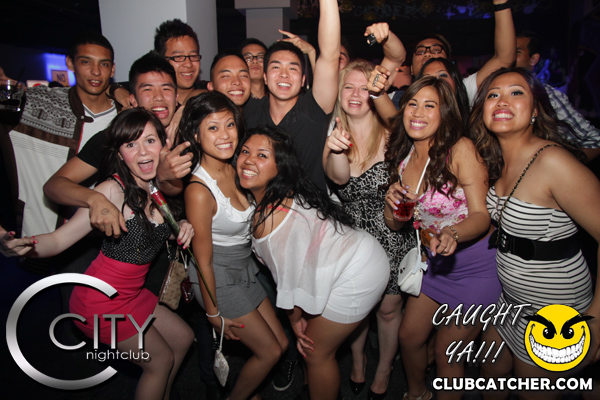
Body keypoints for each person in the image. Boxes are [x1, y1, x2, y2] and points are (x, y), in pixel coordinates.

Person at [7, 108, 195, 400]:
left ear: (163, 144)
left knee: (183, 338)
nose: (143, 151)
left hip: (132, 296)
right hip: (100, 302)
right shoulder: (111, 191)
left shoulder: (157, 188)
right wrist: (26, 244)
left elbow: (160, 230)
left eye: (150, 140)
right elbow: (57, 240)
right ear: (120, 154)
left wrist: (181, 225)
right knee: (159, 363)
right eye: (131, 144)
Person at [469, 67, 600, 398]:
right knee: (490, 370)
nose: (502, 101)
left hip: (554, 311)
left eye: (516, 92)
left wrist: (596, 320)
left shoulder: (554, 162)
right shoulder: (496, 159)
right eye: (493, 95)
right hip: (511, 301)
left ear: (535, 110)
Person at [237, 125, 389, 400]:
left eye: (262, 155)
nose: (248, 160)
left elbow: (288, 282)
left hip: (356, 273)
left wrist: (295, 322)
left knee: (316, 353)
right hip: (360, 254)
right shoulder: (284, 192)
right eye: (245, 151)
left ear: (280, 167)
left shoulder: (269, 219)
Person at [384, 77, 500, 400]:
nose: (418, 112)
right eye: (412, 104)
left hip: (476, 266)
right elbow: (396, 225)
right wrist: (391, 207)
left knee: (447, 352)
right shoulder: (405, 156)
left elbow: (481, 216)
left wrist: (453, 232)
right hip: (434, 263)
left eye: (429, 105)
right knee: (408, 337)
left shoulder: (460, 149)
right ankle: (417, 394)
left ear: (444, 112)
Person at [178, 92, 288, 400]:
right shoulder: (199, 190)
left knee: (281, 345)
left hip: (245, 268)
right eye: (213, 128)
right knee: (268, 352)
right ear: (196, 135)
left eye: (229, 124)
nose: (225, 135)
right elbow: (203, 261)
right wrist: (213, 314)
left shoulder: (237, 164)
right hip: (217, 277)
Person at [323, 59, 415, 399]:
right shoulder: (333, 136)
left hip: (392, 231)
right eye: (348, 86)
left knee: (388, 309)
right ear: (339, 93)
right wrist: (337, 147)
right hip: (351, 236)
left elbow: (409, 185)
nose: (355, 94)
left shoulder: (393, 134)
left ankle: (385, 367)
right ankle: (359, 359)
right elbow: (338, 178)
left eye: (364, 88)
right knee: (357, 307)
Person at [42, 51, 192, 240]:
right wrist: (94, 199)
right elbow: (54, 185)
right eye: (148, 89)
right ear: (133, 100)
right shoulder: (115, 139)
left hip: (170, 249)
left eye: (166, 89)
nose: (159, 97)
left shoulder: (187, 138)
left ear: (176, 96)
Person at [243, 0, 340, 192]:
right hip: (261, 207)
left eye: (292, 68)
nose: (284, 74)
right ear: (265, 77)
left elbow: (330, 56)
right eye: (276, 67)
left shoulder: (314, 110)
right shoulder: (250, 111)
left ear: (303, 80)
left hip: (310, 208)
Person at [515, 31, 600, 161]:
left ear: (533, 59)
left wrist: (564, 168)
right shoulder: (491, 91)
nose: (508, 56)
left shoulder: (546, 95)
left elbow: (595, 140)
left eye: (517, 52)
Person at [154, 19, 205, 106]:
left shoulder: (209, 95)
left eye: (193, 56)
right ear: (161, 61)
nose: (188, 64)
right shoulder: (154, 103)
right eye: (178, 57)